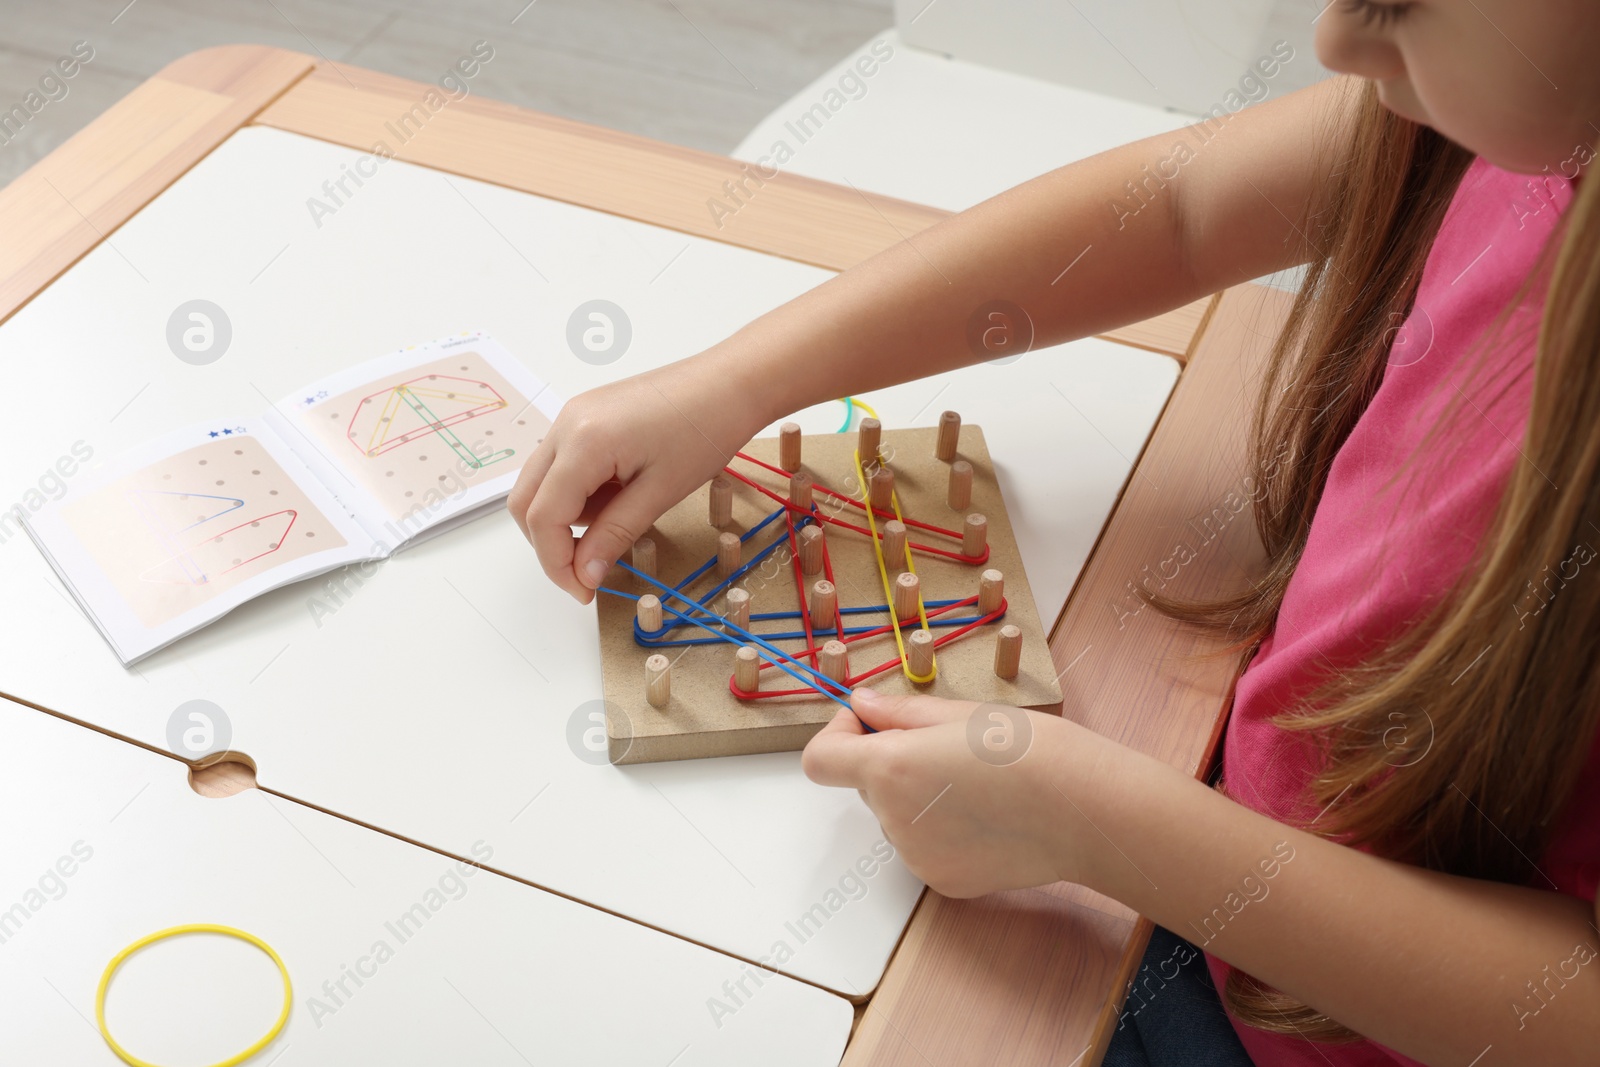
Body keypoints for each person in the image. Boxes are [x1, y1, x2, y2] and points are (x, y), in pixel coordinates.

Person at [509, 1, 1600, 1062]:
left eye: (1398, 2)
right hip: (1208, 849)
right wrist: (736, 381)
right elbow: (1178, 210)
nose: (1329, 42)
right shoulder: (1523, 119)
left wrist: (1098, 825)